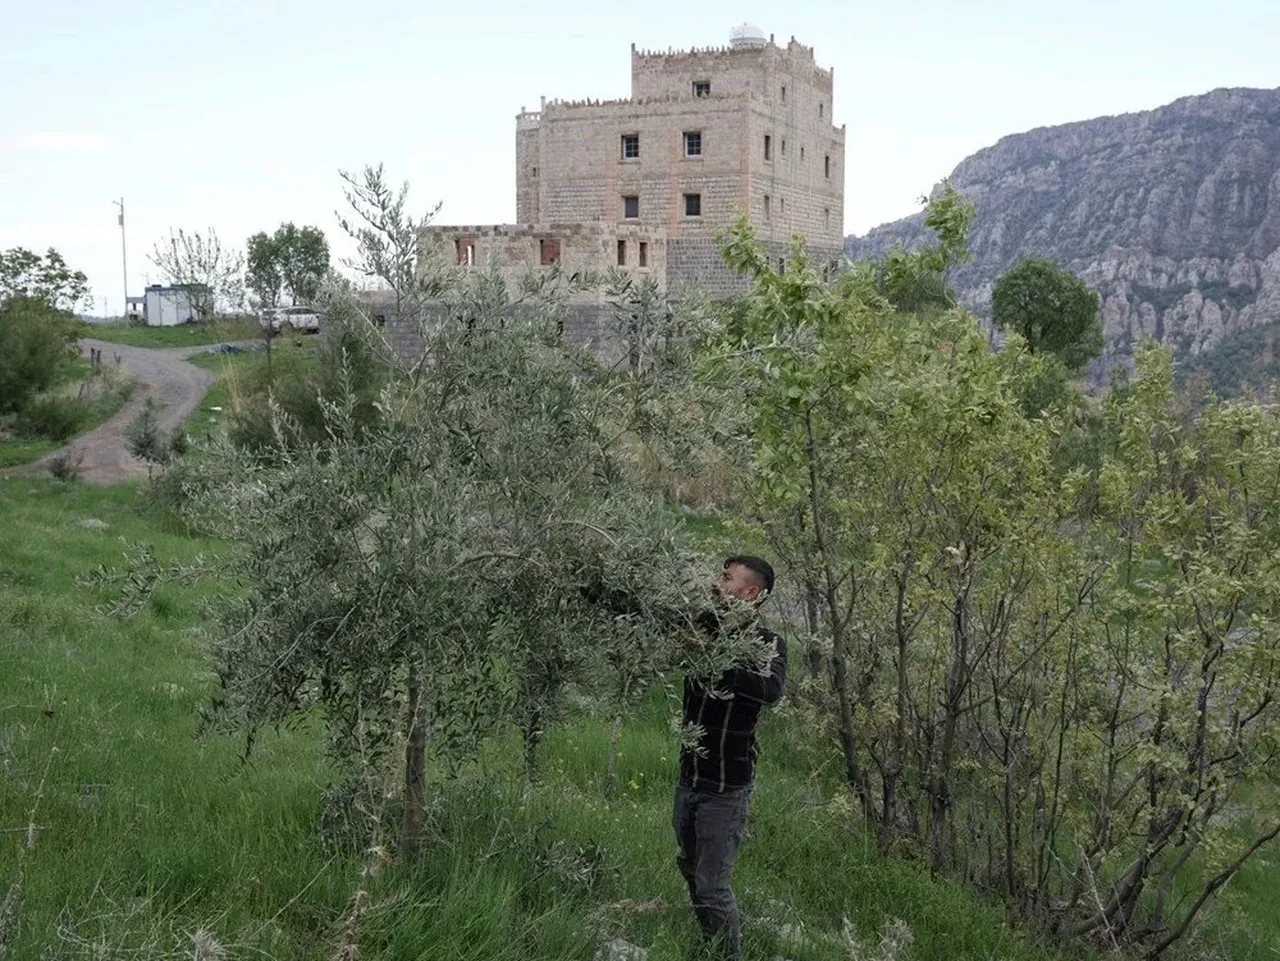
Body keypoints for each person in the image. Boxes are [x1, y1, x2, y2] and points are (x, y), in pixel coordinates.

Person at [673, 555, 786, 959]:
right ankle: (711, 945)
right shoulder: (703, 625)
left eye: (726, 578)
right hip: (689, 778)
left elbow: (771, 690)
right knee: (689, 865)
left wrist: (717, 661)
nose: (717, 584)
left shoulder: (768, 643)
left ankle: (727, 955)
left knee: (713, 886)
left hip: (726, 788)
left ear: (751, 592)